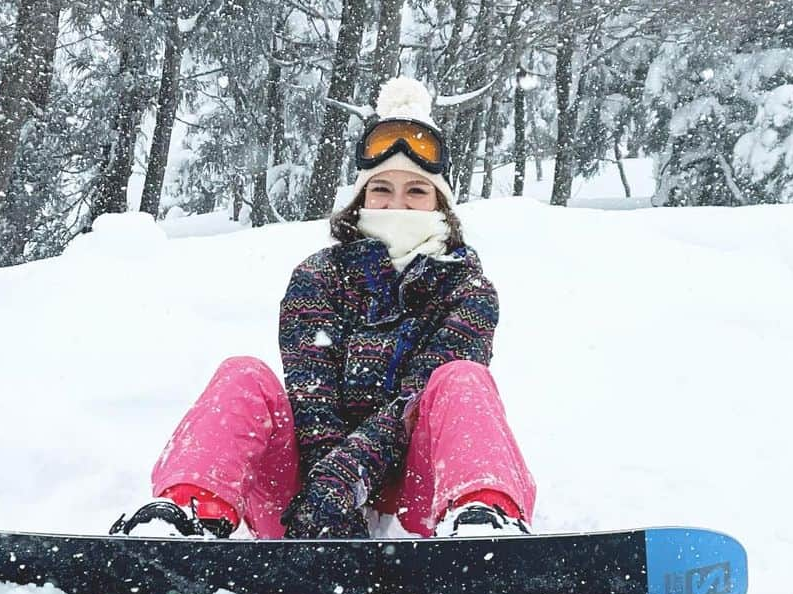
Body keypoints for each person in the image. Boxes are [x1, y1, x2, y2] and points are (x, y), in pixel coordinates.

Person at [111, 77, 536, 541]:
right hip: (305, 490)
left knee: (462, 380)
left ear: (440, 203)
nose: (397, 204)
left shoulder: (465, 286)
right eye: (382, 190)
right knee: (244, 373)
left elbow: (414, 404)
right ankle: (187, 511)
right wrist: (322, 492)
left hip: (414, 489)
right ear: (361, 200)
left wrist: (348, 476)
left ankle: (482, 518)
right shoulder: (319, 275)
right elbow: (312, 395)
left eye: (416, 191)